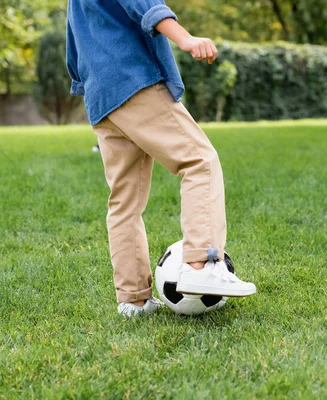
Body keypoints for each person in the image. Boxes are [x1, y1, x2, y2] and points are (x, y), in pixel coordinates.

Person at [66, 0, 256, 317]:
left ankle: (133, 300)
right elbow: (145, 5)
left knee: (124, 201)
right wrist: (185, 38)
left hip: (101, 97)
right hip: (132, 81)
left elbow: (75, 43)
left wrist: (88, 86)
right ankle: (201, 265)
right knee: (199, 162)